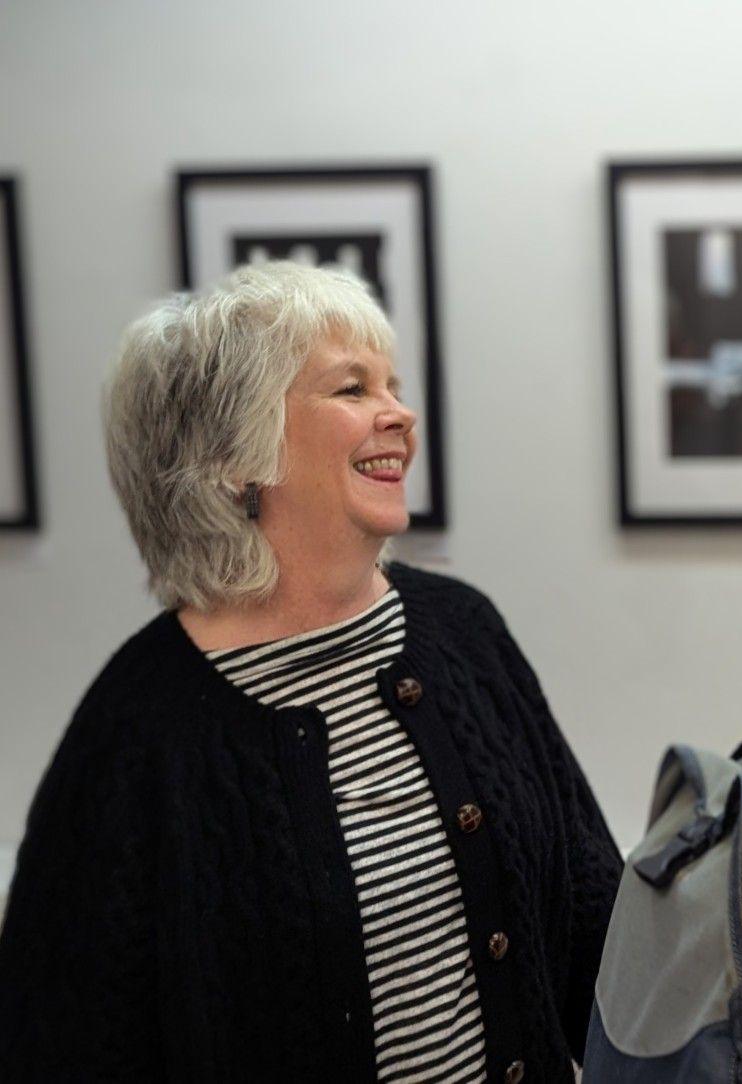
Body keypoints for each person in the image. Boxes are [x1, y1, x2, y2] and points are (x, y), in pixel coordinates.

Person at [0, 262, 621, 1082]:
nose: (400, 415)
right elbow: (54, 1043)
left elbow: (593, 915)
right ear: (234, 452)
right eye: (352, 389)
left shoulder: (462, 632)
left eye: (392, 384)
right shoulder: (138, 732)